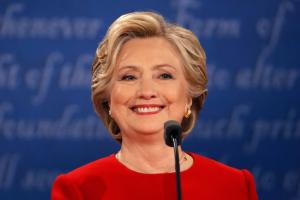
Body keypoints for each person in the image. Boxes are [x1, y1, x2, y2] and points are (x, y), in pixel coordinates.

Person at [51, 11, 259, 200]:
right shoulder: (77, 190)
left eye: (164, 75)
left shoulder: (234, 185)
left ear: (189, 98)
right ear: (108, 102)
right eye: (129, 77)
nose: (146, 91)